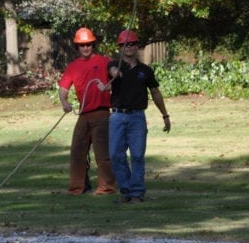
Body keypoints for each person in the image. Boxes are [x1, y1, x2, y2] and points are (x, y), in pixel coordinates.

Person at [106, 29, 170, 203]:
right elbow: (112, 71)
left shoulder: (145, 71)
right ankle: (126, 191)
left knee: (137, 156)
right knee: (116, 155)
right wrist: (115, 72)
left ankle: (136, 193)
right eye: (125, 44)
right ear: (120, 47)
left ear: (137, 46)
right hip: (117, 117)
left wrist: (165, 115)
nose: (129, 47)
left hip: (137, 118)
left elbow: (155, 92)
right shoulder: (114, 65)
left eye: (132, 43)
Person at [57, 27, 116, 195]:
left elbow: (116, 78)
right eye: (82, 45)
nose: (85, 48)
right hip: (84, 114)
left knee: (102, 154)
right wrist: (64, 101)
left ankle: (107, 187)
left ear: (93, 44)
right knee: (77, 151)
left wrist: (112, 80)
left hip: (103, 113)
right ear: (77, 46)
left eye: (88, 44)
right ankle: (78, 187)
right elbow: (63, 88)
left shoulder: (104, 61)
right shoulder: (73, 66)